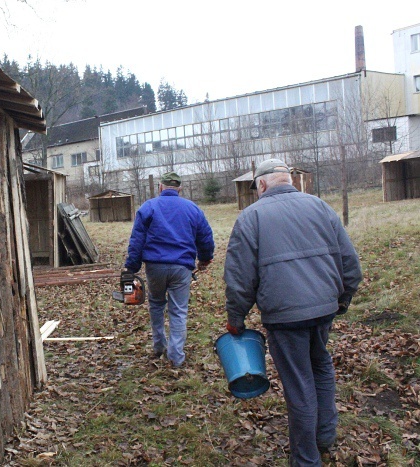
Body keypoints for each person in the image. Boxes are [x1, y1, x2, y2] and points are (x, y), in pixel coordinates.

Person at [223, 158, 362, 466]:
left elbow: (239, 277)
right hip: (324, 307)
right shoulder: (321, 207)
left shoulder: (251, 217)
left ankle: (306, 458)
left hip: (285, 315)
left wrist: (235, 317)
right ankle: (325, 436)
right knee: (320, 366)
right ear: (290, 180)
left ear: (261, 185)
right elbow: (350, 262)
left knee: (299, 383)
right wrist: (344, 297)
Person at [124, 171, 214, 368]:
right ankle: (176, 357)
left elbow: (137, 239)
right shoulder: (192, 208)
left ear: (160, 187)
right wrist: (205, 259)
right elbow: (205, 237)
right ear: (179, 188)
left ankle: (158, 346)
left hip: (155, 267)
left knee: (156, 304)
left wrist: (132, 266)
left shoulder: (149, 207)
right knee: (179, 311)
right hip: (182, 267)